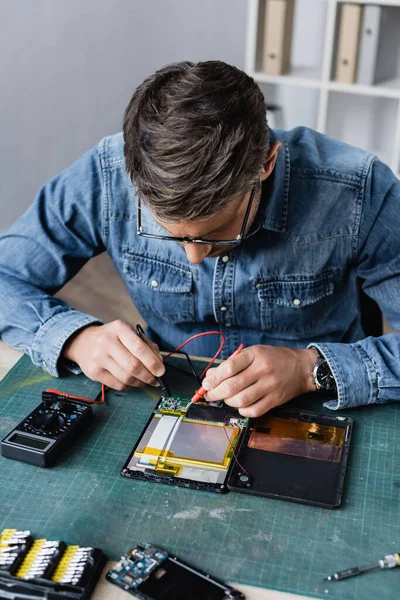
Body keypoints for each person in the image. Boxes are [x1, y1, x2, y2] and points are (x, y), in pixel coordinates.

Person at [0, 60, 399, 417]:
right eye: (173, 237)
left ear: (265, 163)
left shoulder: (359, 192)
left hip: (321, 404)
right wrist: (76, 338)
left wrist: (309, 369)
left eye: (215, 233)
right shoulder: (106, 175)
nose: (194, 257)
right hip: (171, 392)